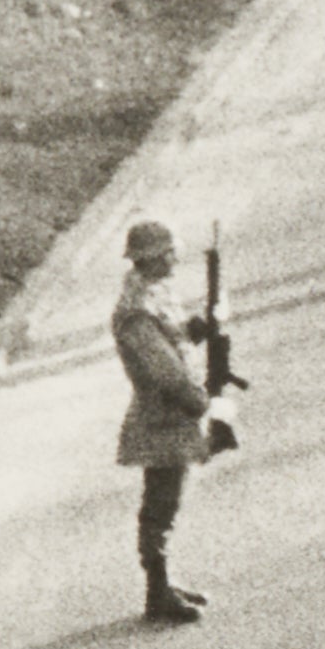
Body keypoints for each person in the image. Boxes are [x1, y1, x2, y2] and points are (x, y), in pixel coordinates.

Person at [105, 216, 219, 622]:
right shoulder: (136, 310)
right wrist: (201, 402)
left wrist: (197, 328)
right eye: (168, 252)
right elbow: (163, 370)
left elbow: (172, 336)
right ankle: (157, 592)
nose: (176, 257)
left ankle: (163, 582)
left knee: (167, 501)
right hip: (162, 416)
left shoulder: (153, 293)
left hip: (172, 411)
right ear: (151, 258)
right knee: (160, 503)